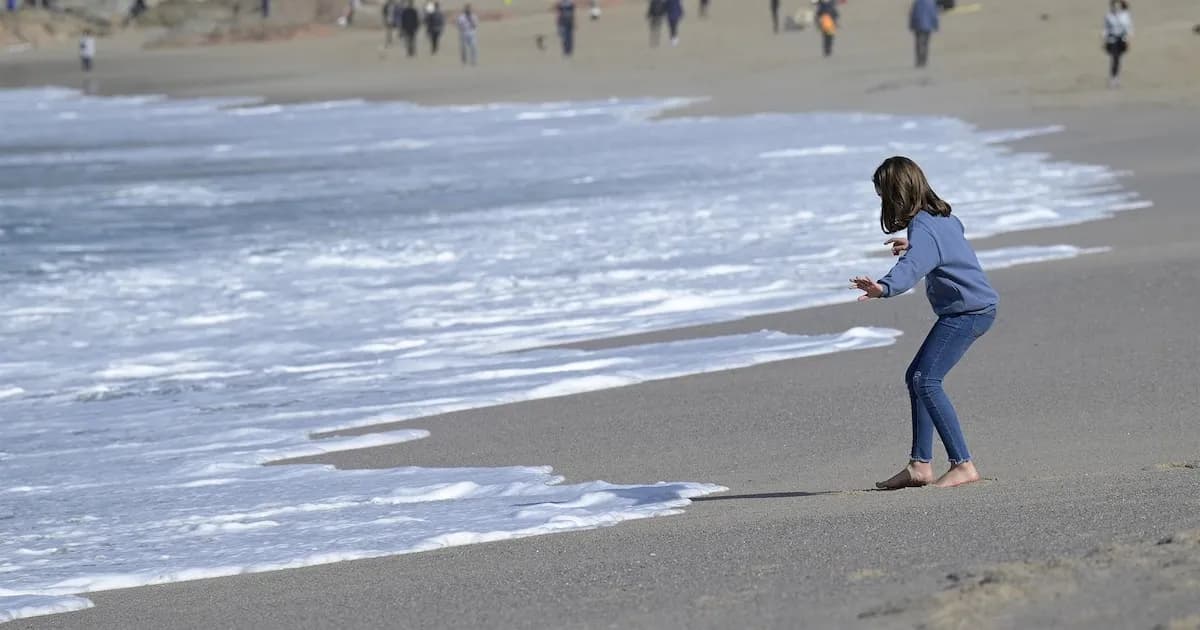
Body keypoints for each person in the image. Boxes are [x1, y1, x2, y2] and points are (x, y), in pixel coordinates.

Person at [851, 157, 998, 490]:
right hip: (974, 308)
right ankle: (920, 465)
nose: (883, 203)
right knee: (916, 377)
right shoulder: (943, 218)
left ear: (897, 194)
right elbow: (946, 248)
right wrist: (915, 247)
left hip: (968, 312)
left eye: (883, 196)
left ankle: (963, 464)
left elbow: (913, 268)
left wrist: (883, 287)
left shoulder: (924, 228)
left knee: (926, 379)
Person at [1104, 0, 1133, 88]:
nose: (1116, 8)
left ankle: (1116, 77)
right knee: (1115, 58)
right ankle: (1113, 79)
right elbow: (1106, 29)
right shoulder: (1108, 16)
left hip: (1122, 39)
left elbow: (1128, 27)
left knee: (1118, 59)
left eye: (1117, 6)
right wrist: (1104, 40)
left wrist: (1128, 39)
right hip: (1112, 39)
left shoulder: (1125, 15)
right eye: (1114, 6)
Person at [909, 0, 938, 68]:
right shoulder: (931, 2)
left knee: (918, 43)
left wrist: (911, 25)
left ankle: (919, 60)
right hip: (927, 27)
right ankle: (923, 60)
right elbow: (934, 14)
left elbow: (913, 14)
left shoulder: (917, 2)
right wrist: (936, 25)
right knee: (925, 43)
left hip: (918, 26)